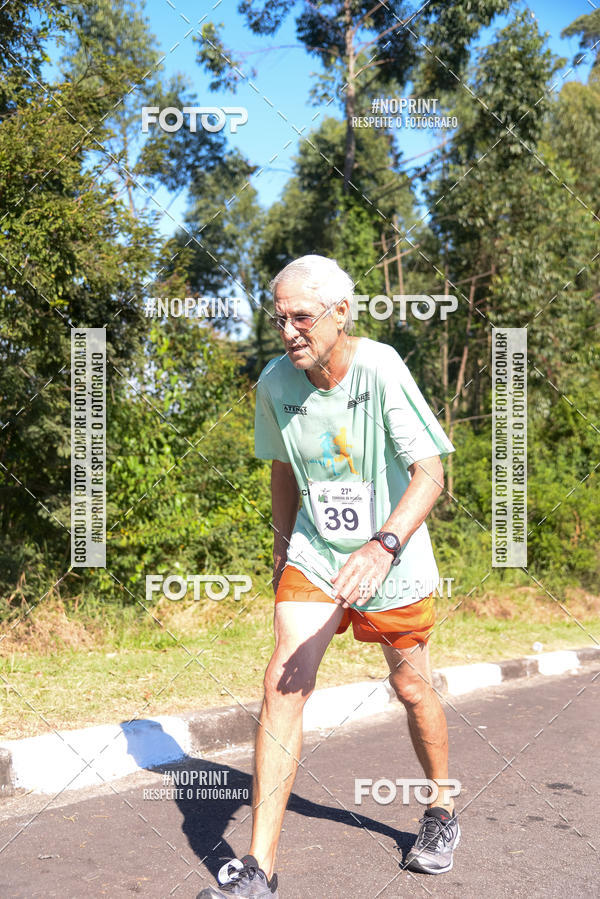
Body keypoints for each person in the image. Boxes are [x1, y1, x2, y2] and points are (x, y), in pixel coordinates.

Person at [197, 255, 459, 898]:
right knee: (283, 683)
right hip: (317, 554)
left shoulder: (380, 368)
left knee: (413, 688)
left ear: (342, 314)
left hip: (390, 554)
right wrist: (285, 551)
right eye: (279, 318)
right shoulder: (274, 383)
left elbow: (431, 473)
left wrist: (383, 545)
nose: (288, 331)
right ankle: (258, 870)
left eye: (302, 317)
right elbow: (283, 471)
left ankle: (441, 809)